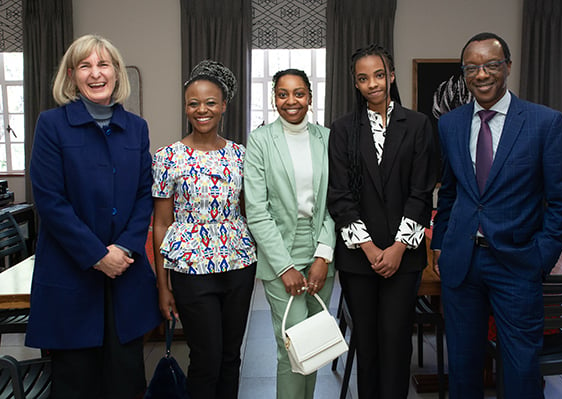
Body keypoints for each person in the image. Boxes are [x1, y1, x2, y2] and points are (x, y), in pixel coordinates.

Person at [431, 32, 562, 398]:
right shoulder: (450, 125)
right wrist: (441, 246)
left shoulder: (545, 123)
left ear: (508, 67)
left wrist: (540, 256)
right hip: (461, 265)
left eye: (491, 64)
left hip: (517, 263)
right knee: (463, 369)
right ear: (464, 74)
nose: (482, 74)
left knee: (520, 369)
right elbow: (449, 192)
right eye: (472, 67)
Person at [27, 34, 162, 399]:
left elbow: (142, 196)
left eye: (104, 64)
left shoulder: (136, 127)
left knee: (126, 381)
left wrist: (123, 248)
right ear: (71, 75)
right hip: (71, 274)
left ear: (116, 73)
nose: (96, 73)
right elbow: (50, 201)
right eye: (85, 65)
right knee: (76, 384)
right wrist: (98, 255)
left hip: (126, 274)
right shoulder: (51, 125)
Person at [327, 44, 438, 398]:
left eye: (379, 75)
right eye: (363, 78)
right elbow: (340, 196)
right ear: (356, 84)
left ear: (391, 76)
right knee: (368, 343)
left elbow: (422, 193)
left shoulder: (418, 124)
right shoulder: (343, 129)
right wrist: (372, 248)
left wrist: (397, 249)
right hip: (360, 258)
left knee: (396, 342)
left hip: (403, 259)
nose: (372, 83)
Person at [152, 60, 257, 399]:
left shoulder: (241, 155)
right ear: (185, 107)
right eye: (194, 103)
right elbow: (162, 224)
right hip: (190, 269)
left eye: (210, 102)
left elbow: (248, 213)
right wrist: (162, 286)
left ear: (224, 105)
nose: (202, 109)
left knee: (230, 358)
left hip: (239, 265)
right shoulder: (168, 157)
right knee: (205, 359)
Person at [244, 68, 336, 399]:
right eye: (282, 94)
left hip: (320, 254)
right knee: (293, 347)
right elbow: (256, 210)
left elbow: (335, 203)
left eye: (299, 93)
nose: (291, 101)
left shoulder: (327, 138)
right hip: (279, 255)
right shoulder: (259, 141)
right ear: (274, 99)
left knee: (314, 348)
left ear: (310, 97)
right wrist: (284, 267)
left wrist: (324, 255)